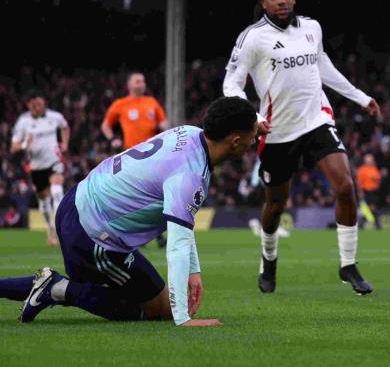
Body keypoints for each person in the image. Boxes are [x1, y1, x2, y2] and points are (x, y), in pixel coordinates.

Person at [0, 96, 258, 327]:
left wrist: (194, 271)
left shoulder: (190, 134)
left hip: (79, 200)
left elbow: (183, 221)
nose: (254, 141)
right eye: (253, 135)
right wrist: (183, 319)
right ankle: (58, 288)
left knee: (154, 301)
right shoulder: (189, 175)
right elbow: (177, 245)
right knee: (156, 311)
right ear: (235, 140)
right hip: (90, 234)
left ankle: (48, 287)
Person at [223, 0, 381, 295]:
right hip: (277, 131)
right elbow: (231, 84)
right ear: (264, 2)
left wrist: (360, 97)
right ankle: (268, 258)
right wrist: (252, 116)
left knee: (345, 185)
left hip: (316, 121)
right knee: (276, 205)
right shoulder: (252, 38)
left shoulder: (312, 28)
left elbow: (323, 66)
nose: (281, 1)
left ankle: (348, 264)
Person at [102, 72, 170, 248]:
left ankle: (155, 233)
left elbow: (163, 123)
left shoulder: (151, 102)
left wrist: (166, 129)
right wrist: (112, 140)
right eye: (138, 81)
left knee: (156, 195)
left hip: (153, 156)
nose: (142, 83)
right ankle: (141, 234)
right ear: (129, 85)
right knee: (135, 197)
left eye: (143, 80)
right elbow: (106, 125)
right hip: (131, 156)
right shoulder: (121, 104)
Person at [11, 90, 70, 247]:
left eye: (40, 104)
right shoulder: (23, 122)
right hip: (36, 167)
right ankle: (50, 228)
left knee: (57, 192)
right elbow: (14, 147)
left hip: (54, 162)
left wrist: (64, 143)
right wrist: (25, 144)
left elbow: (65, 127)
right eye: (34, 105)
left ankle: (61, 230)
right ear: (28, 105)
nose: (38, 107)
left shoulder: (54, 117)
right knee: (44, 201)